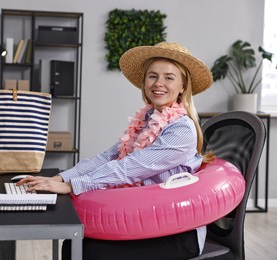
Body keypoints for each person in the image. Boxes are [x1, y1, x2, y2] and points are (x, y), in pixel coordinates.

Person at [17, 42, 214, 259]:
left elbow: (131, 168)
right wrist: (59, 178)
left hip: (177, 231)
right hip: (145, 218)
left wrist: (71, 186)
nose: (159, 83)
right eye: (152, 76)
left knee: (88, 251)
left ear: (183, 86)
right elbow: (108, 157)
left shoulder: (182, 129)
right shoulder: (147, 120)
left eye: (169, 77)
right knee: (76, 244)